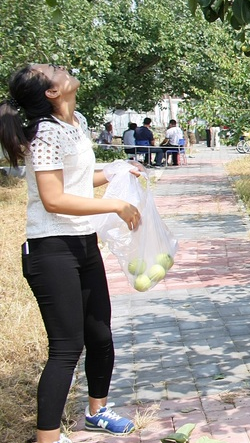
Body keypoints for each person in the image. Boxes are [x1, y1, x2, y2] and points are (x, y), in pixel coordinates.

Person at [0, 64, 143, 443]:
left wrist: (116, 171)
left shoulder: (74, 121)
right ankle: (48, 438)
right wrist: (113, 207)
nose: (59, 67)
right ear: (51, 92)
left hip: (83, 243)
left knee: (99, 334)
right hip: (51, 250)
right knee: (66, 349)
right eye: (49, 69)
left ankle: (97, 411)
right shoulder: (45, 132)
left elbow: (76, 179)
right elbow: (53, 199)